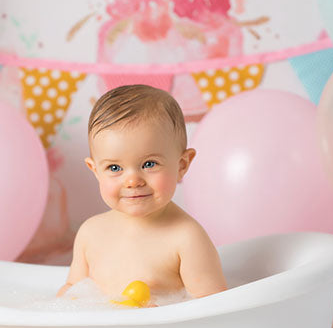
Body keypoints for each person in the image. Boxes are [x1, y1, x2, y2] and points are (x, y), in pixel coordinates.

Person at [58, 84, 226, 302]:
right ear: (95, 170)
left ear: (182, 165)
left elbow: (214, 308)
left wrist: (157, 317)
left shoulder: (186, 238)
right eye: (114, 168)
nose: (133, 181)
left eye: (149, 164)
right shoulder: (90, 232)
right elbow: (72, 290)